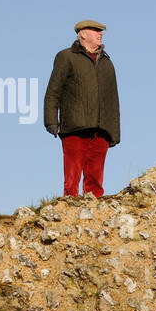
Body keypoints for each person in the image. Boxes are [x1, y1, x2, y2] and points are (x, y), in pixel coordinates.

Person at [43, 19, 120, 198]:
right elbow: (53, 91)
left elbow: (113, 100)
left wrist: (114, 133)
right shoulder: (66, 56)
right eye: (96, 31)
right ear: (83, 34)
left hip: (102, 129)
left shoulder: (108, 63)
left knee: (96, 178)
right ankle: (69, 206)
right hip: (74, 126)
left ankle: (94, 208)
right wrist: (51, 121)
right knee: (72, 176)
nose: (100, 34)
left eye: (101, 31)